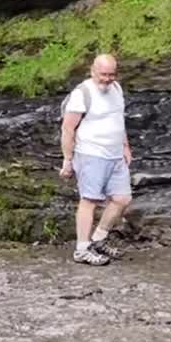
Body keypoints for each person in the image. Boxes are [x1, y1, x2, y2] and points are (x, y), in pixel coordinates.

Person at [59, 54, 132, 266]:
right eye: (103, 74)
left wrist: (125, 146)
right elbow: (67, 128)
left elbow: (118, 119)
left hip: (115, 154)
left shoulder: (116, 89)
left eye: (112, 74)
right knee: (89, 200)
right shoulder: (82, 94)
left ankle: (98, 239)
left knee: (122, 199)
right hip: (91, 154)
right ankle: (82, 250)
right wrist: (67, 159)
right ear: (92, 71)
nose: (108, 79)